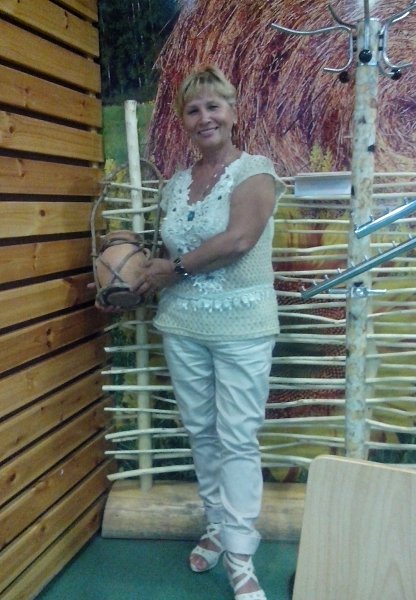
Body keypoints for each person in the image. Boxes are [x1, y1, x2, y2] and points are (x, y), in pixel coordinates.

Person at [132, 65, 285, 600]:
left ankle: (241, 554)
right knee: (201, 430)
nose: (205, 117)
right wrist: (129, 280)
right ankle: (218, 526)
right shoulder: (176, 184)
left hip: (243, 322)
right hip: (182, 323)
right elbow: (166, 253)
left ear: (233, 112)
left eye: (214, 106)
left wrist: (173, 271)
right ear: (183, 120)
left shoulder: (256, 173)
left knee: (237, 436)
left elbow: (239, 239)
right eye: (193, 109)